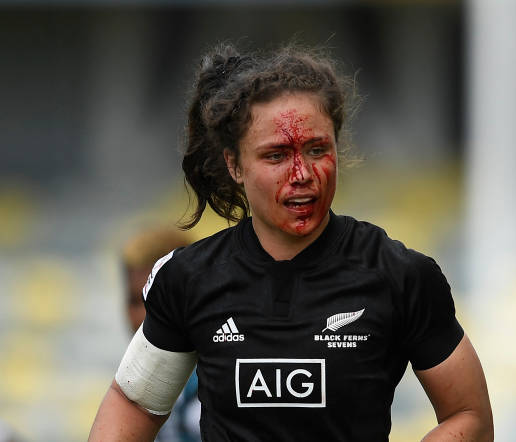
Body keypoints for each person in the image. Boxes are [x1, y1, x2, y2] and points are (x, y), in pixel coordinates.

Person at [89, 43, 493, 442]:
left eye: (317, 149)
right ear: (234, 165)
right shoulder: (189, 277)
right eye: (277, 155)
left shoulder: (399, 274)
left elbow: (468, 415)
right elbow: (133, 404)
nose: (302, 174)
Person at [120, 228, 200, 442]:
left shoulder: (220, 375)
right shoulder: (128, 380)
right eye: (134, 301)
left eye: (154, 303)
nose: (142, 317)